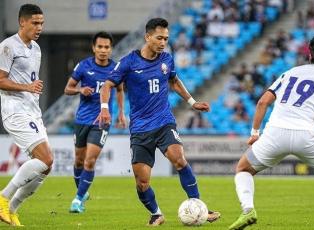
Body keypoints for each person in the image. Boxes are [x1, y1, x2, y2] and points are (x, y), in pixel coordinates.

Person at [97, 18, 221, 226]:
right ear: (147, 37)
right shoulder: (129, 62)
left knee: (179, 159)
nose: (163, 42)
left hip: (164, 122)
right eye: (159, 38)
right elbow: (107, 86)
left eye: (166, 38)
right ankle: (156, 213)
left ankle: (200, 207)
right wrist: (105, 110)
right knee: (142, 182)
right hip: (140, 129)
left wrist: (192, 102)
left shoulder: (167, 59)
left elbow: (174, 81)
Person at [228, 34, 314, 230]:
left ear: (310, 54)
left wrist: (254, 133)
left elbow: (262, 102)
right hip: (307, 136)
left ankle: (248, 210)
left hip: (275, 133)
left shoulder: (291, 72)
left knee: (243, 169)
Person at [0, 4, 53, 226]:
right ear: (22, 22)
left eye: (41, 23)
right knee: (45, 158)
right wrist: (28, 88)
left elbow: (30, 81)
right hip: (14, 110)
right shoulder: (7, 47)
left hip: (32, 111)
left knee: (46, 166)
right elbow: (0, 80)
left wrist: (31, 92)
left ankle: (11, 210)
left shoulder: (36, 49)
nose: (39, 27)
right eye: (35, 23)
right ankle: (3, 198)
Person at [64, 31, 126, 213]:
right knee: (78, 161)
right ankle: (82, 193)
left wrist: (121, 113)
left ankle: (77, 200)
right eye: (100, 46)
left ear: (111, 48)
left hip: (102, 120)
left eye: (107, 47)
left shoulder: (116, 69)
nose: (103, 50)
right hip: (82, 119)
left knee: (90, 161)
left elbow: (120, 90)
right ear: (94, 48)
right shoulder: (83, 66)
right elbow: (67, 88)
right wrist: (80, 90)